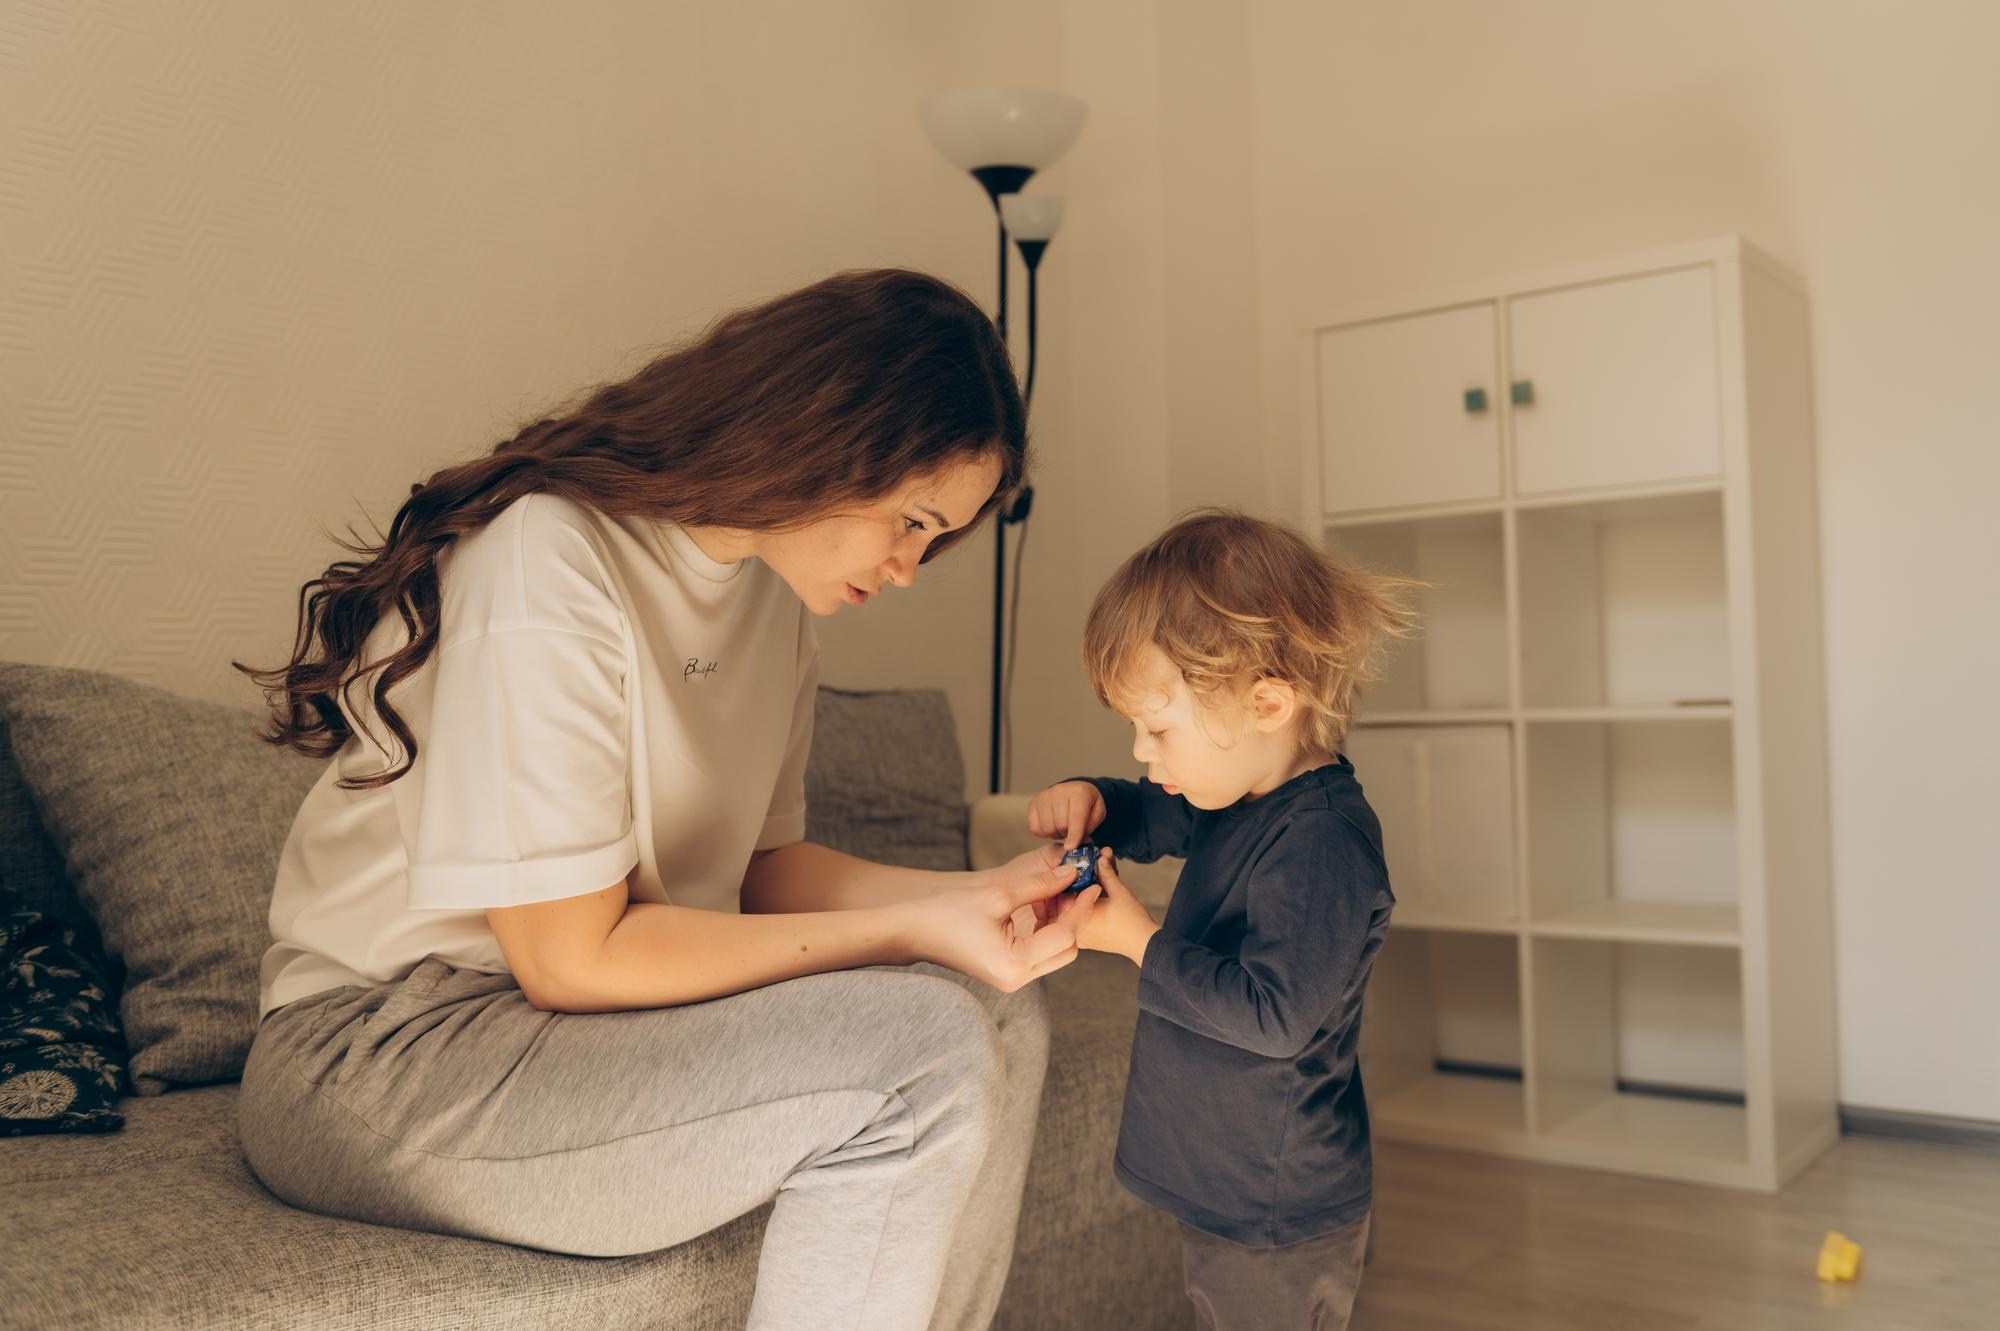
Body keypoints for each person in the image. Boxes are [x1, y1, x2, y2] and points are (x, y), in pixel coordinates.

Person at [232, 269, 1100, 1331]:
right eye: (911, 522)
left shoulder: (774, 613)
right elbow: (569, 957)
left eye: (936, 539)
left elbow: (765, 874)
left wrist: (978, 895)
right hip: (379, 1050)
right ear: (827, 435)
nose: (910, 566)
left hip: (552, 1029)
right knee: (921, 1043)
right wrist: (910, 927)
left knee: (1001, 1006)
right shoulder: (548, 559)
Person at [1025, 509, 1416, 1331]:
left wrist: (1138, 940)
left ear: (1267, 702)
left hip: (1278, 1203)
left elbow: (1275, 1017)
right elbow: (1156, 812)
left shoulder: (1321, 844)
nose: (1142, 750)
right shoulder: (1235, 792)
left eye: (1157, 726)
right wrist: (1099, 801)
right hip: (1225, 1185)